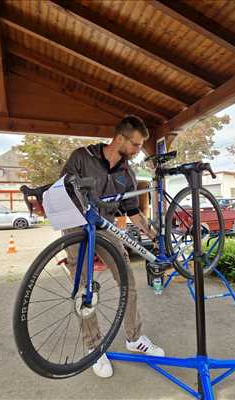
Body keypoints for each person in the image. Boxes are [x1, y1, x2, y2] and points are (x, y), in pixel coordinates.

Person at [61, 115, 164, 378]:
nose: (138, 151)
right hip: (75, 227)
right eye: (136, 145)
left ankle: (134, 337)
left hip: (106, 227)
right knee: (84, 289)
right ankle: (93, 347)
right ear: (120, 138)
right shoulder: (81, 157)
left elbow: (132, 212)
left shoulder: (127, 173)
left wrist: (153, 234)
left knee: (127, 281)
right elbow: (61, 191)